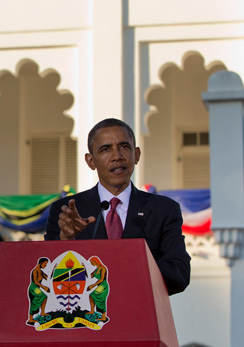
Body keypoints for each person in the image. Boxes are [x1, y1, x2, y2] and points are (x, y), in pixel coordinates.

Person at [44, 118, 190, 295]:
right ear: (91, 161)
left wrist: (126, 270)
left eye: (124, 147)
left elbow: (179, 274)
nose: (117, 156)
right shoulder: (67, 211)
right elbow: (48, 278)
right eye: (106, 149)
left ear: (136, 155)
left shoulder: (163, 209)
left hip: (140, 315)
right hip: (88, 318)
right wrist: (67, 240)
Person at [27, 257, 51, 325]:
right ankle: (30, 319)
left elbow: (48, 278)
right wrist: (44, 287)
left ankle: (42, 312)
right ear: (41, 263)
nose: (45, 266)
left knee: (44, 297)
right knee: (39, 298)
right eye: (45, 264)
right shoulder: (35, 270)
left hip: (37, 288)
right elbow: (36, 282)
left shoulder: (41, 271)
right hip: (33, 287)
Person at [86, 256, 109, 322]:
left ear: (95, 261)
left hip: (103, 286)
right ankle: (92, 311)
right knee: (91, 295)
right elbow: (89, 276)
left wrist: (92, 286)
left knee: (101, 300)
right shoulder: (96, 270)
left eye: (91, 262)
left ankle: (104, 317)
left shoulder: (103, 268)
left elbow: (101, 279)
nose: (91, 263)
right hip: (99, 286)